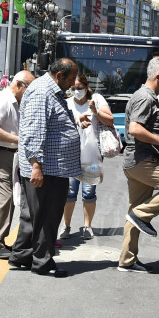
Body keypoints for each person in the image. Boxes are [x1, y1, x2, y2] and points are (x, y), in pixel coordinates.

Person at [8, 58, 83, 277]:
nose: (72, 84)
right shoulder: (42, 93)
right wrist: (36, 166)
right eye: (70, 79)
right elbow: (33, 131)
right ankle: (43, 263)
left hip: (51, 167)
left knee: (34, 214)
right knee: (47, 216)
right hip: (46, 168)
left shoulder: (51, 91)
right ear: (59, 76)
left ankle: (22, 255)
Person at [118, 56, 159, 273]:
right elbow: (134, 129)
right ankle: (141, 216)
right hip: (142, 162)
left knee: (135, 210)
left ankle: (127, 260)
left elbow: (148, 125)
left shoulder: (146, 96)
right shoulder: (145, 98)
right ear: (158, 76)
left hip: (136, 163)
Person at [0, 69, 34, 259]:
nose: (31, 92)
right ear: (19, 84)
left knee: (7, 199)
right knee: (4, 198)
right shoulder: (1, 100)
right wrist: (18, 139)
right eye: (29, 88)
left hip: (8, 154)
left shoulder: (18, 102)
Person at [62, 73, 114, 240]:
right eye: (74, 89)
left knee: (88, 190)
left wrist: (95, 111)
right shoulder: (67, 103)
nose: (77, 91)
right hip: (71, 154)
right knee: (70, 191)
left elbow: (110, 120)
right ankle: (66, 226)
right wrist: (77, 120)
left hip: (92, 154)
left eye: (80, 88)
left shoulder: (97, 100)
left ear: (87, 88)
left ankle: (87, 226)